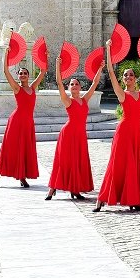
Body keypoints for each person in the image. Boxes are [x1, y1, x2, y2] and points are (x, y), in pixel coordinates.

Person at [93, 40, 140, 213]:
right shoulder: (122, 94)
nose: (128, 77)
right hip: (123, 133)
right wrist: (108, 49)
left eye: (131, 75)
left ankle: (134, 199)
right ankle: (102, 199)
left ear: (135, 79)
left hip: (136, 134)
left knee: (135, 165)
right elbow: (112, 73)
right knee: (118, 164)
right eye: (126, 76)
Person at [45, 57, 104, 200]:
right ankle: (52, 188)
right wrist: (58, 65)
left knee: (78, 161)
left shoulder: (84, 99)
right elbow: (59, 83)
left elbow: (95, 83)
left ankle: (75, 189)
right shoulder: (68, 100)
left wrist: (100, 68)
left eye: (77, 84)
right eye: (72, 84)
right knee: (64, 160)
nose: (75, 86)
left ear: (80, 87)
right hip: (68, 134)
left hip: (80, 135)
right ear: (69, 87)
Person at [0, 47, 46, 188]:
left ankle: (22, 177)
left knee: (25, 148)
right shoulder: (17, 88)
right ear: (18, 76)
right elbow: (6, 72)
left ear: (28, 76)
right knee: (9, 147)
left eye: (25, 73)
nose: (22, 75)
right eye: (20, 74)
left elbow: (43, 71)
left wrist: (44, 56)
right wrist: (6, 56)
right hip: (16, 121)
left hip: (28, 122)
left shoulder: (33, 87)